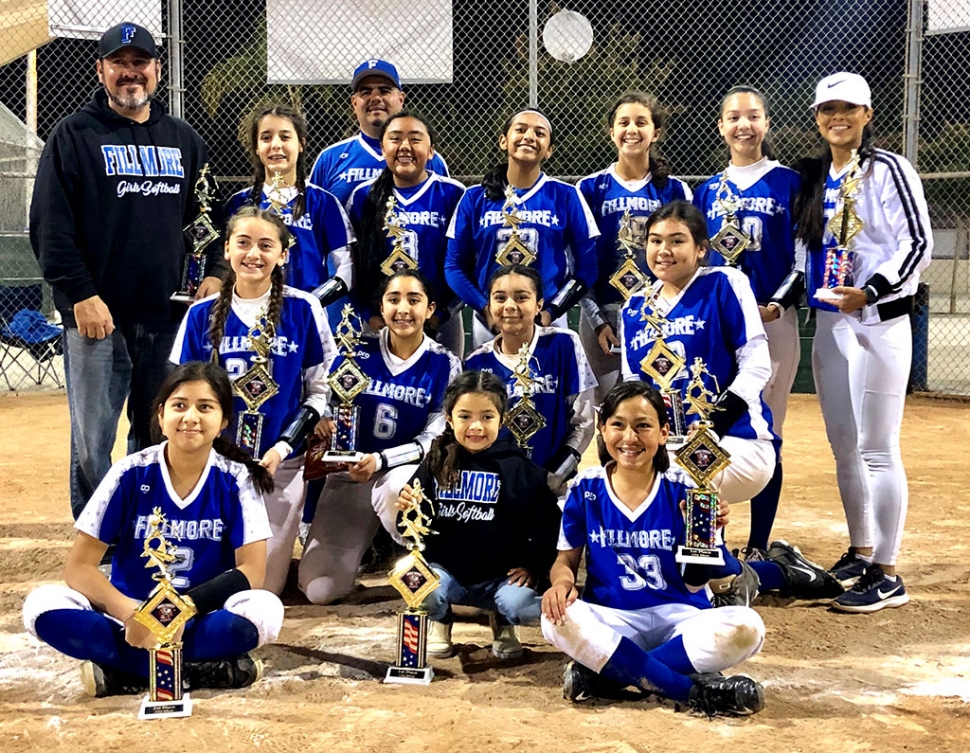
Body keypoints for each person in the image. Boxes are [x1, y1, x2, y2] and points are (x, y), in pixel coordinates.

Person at [30, 22, 225, 521]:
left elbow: (207, 218)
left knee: (157, 427)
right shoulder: (74, 135)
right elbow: (50, 227)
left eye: (140, 62)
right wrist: (79, 294)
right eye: (119, 63)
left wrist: (215, 272)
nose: (130, 73)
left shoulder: (183, 139)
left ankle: (149, 524)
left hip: (166, 316)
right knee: (93, 439)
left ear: (157, 71)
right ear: (101, 70)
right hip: (98, 315)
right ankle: (97, 530)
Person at [22, 361, 284, 697]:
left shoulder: (237, 479)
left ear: (224, 422)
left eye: (205, 407)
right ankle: (200, 671)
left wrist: (181, 610)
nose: (191, 417)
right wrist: (133, 614)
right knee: (41, 606)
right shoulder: (129, 472)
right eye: (179, 405)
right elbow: (78, 567)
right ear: (161, 416)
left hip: (199, 616)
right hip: (128, 616)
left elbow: (252, 572)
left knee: (264, 610)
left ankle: (124, 672)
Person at [540, 381, 766, 716]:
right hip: (612, 617)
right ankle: (690, 690)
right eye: (618, 425)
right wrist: (561, 585)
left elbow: (695, 581)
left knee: (748, 627)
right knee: (555, 619)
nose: (629, 437)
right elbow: (565, 560)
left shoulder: (688, 488)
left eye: (643, 426)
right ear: (602, 429)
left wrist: (705, 533)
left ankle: (608, 676)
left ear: (662, 433)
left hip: (681, 617)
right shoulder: (586, 486)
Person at [793, 72, 932, 613]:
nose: (838, 117)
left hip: (879, 320)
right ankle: (861, 548)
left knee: (878, 446)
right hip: (832, 323)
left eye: (848, 108)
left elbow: (916, 241)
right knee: (844, 445)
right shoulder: (816, 179)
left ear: (867, 113)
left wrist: (871, 289)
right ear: (818, 117)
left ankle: (888, 572)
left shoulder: (889, 169)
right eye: (828, 109)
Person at [171, 208, 336, 595]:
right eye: (243, 243)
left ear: (283, 254)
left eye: (266, 245)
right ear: (226, 249)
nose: (253, 254)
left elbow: (319, 390)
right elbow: (182, 395)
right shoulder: (200, 314)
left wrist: (282, 447)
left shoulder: (303, 308)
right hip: (215, 467)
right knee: (201, 581)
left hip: (279, 467)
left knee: (261, 588)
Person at [299, 269, 462, 605]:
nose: (403, 309)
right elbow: (322, 397)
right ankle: (367, 551)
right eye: (394, 299)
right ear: (382, 307)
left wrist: (382, 460)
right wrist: (324, 418)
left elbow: (436, 436)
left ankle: (421, 558)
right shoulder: (352, 351)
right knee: (320, 590)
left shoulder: (444, 363)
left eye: (414, 300)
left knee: (395, 489)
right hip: (348, 477)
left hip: (401, 475)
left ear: (430, 309)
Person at [692, 86, 802, 557]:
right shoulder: (706, 191)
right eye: (734, 117)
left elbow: (804, 254)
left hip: (772, 320)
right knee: (705, 422)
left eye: (753, 116)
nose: (743, 125)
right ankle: (706, 537)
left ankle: (757, 545)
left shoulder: (789, 182)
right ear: (720, 126)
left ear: (766, 124)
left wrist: (776, 303)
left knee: (765, 428)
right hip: (719, 325)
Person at [618, 201, 776, 509]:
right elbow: (633, 384)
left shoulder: (725, 283)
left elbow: (757, 365)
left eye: (677, 241)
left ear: (701, 249)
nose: (664, 250)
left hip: (736, 437)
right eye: (655, 240)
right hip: (667, 442)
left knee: (678, 475)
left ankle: (704, 555)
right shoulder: (634, 307)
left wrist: (712, 425)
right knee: (619, 471)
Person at [395, 370, 561, 659]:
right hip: (447, 573)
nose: (476, 426)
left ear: (503, 419)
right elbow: (410, 527)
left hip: (500, 579)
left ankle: (504, 621)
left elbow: (549, 527)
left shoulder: (521, 471)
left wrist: (532, 567)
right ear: (449, 418)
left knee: (521, 604)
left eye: (487, 417)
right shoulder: (436, 461)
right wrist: (408, 508)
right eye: (464, 416)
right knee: (414, 580)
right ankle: (439, 620)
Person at [445, 109, 600, 348]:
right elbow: (454, 266)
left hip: (547, 322)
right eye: (520, 129)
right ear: (503, 141)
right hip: (491, 323)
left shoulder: (567, 195)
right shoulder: (474, 197)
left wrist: (550, 311)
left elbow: (587, 267)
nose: (529, 136)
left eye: (540, 133)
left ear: (549, 149)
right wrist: (485, 309)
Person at [578, 92, 692, 404]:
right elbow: (581, 262)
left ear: (655, 132)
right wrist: (596, 319)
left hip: (659, 314)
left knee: (660, 403)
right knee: (608, 408)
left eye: (641, 122)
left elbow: (686, 260)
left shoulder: (675, 189)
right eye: (623, 122)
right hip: (603, 316)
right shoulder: (589, 188)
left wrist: (672, 314)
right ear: (611, 131)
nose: (632, 129)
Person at [464, 265, 596, 495]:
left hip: (552, 483)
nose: (510, 306)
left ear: (539, 305)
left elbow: (583, 423)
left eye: (521, 297)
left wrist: (554, 477)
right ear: (489, 306)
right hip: (496, 486)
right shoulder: (475, 362)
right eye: (500, 298)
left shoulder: (564, 344)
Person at [346, 111, 466, 355]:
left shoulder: (453, 194)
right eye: (395, 139)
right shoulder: (363, 196)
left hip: (438, 319)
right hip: (381, 320)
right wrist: (370, 315)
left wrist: (441, 314)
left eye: (415, 139)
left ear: (431, 150)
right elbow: (352, 265)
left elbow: (464, 263)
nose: (405, 147)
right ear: (382, 148)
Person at [226, 104, 355, 318]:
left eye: (285, 137)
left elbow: (347, 267)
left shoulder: (322, 202)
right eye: (266, 138)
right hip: (250, 315)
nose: (276, 145)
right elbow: (225, 262)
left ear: (301, 144)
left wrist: (312, 302)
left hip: (306, 318)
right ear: (257, 147)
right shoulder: (240, 203)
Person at [309, 59, 449, 205]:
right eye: (366, 92)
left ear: (401, 99)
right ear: (354, 102)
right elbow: (313, 216)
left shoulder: (427, 157)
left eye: (384, 91)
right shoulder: (330, 158)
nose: (375, 98)